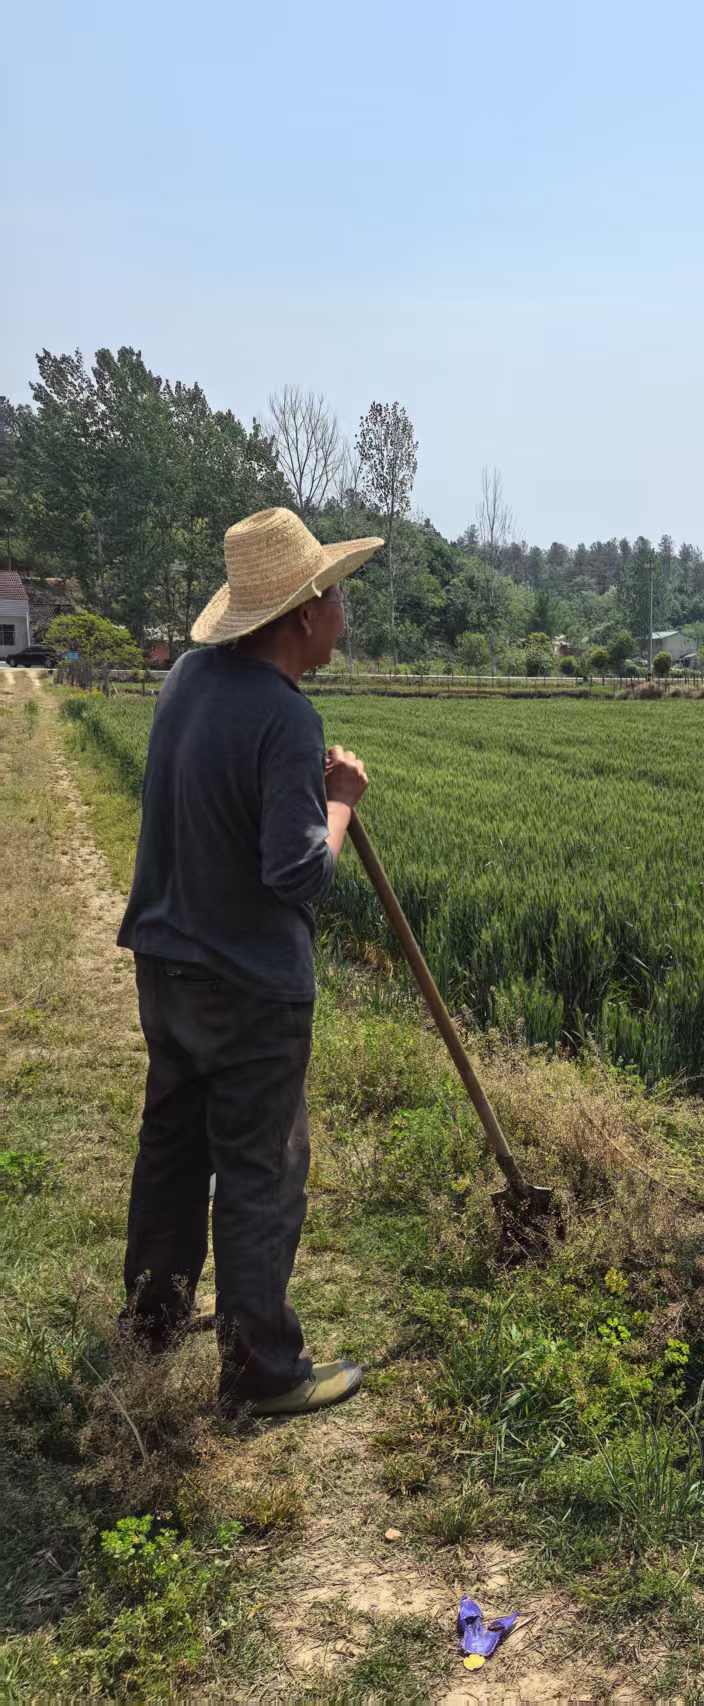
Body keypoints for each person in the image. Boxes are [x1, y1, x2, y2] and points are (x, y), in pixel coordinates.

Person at [117, 507, 382, 1417]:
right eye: (336, 596)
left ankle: (152, 1317)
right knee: (262, 1168)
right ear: (302, 615)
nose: (344, 612)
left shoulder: (190, 679)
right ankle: (262, 1371)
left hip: (166, 961)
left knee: (173, 1144)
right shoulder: (285, 719)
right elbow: (297, 872)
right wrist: (338, 800)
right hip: (249, 985)